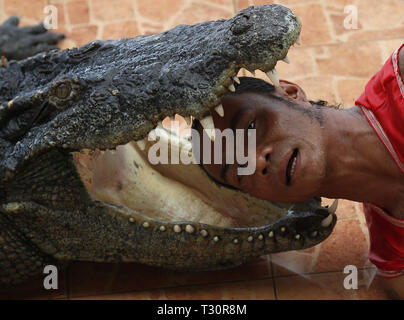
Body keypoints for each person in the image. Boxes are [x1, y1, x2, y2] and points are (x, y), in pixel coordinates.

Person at [194, 44, 404, 299]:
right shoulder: (394, 256)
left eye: (250, 128)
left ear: (290, 92)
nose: (258, 161)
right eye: (241, 171)